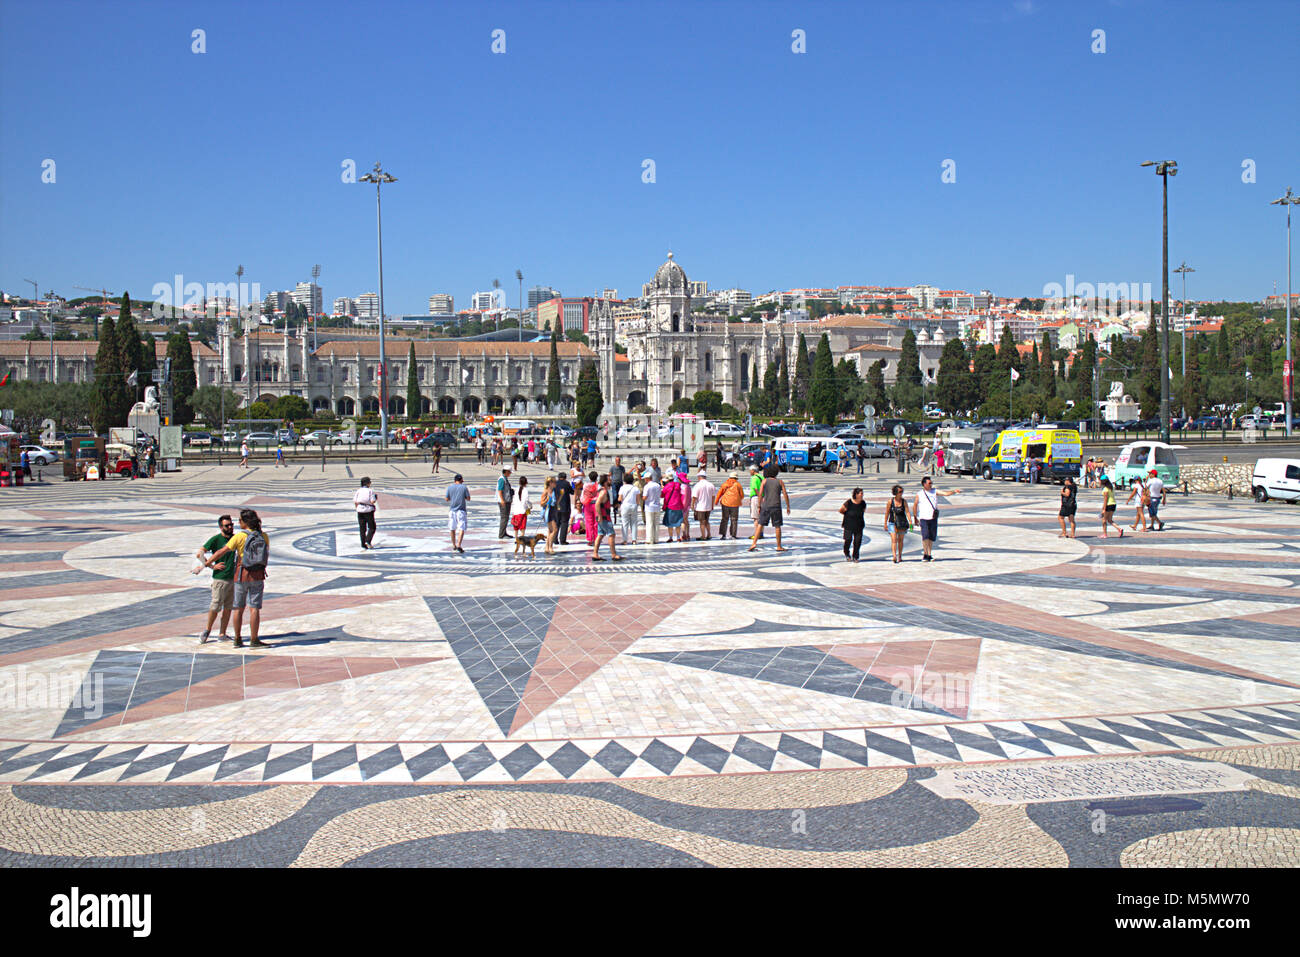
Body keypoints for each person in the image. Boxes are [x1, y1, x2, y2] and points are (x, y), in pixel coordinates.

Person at [200, 508, 269, 648]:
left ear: (244, 522)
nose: (237, 523)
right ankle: (254, 639)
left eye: (239, 520)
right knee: (254, 608)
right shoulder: (264, 536)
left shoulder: (239, 537)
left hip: (241, 575)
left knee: (238, 608)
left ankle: (238, 639)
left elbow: (222, 551)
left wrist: (208, 563)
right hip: (258, 575)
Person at [193, 514, 236, 643]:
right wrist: (212, 566)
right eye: (226, 525)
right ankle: (207, 630)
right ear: (220, 527)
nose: (230, 527)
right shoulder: (216, 539)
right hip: (220, 579)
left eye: (231, 525)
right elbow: (200, 553)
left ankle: (222, 633)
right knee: (215, 606)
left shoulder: (235, 538)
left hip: (233, 579)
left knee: (228, 607)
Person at [748, 466, 790, 552]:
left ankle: (754, 543)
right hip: (776, 506)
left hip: (766, 506)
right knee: (777, 526)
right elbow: (785, 494)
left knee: (760, 524)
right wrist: (788, 506)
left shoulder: (764, 481)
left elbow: (760, 494)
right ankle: (779, 546)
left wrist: (759, 505)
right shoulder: (780, 482)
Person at [592, 474, 623, 561]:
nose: (611, 481)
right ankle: (613, 554)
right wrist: (600, 516)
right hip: (604, 517)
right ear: (605, 481)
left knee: (600, 534)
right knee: (611, 534)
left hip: (602, 516)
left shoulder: (601, 490)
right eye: (609, 479)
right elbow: (597, 504)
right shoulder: (603, 492)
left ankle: (595, 553)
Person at [912, 475, 940, 562]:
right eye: (929, 483)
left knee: (931, 536)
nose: (931, 484)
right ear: (924, 484)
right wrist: (915, 517)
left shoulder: (934, 491)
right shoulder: (920, 494)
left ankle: (929, 554)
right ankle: (925, 554)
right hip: (923, 517)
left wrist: (954, 491)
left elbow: (945, 493)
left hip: (933, 517)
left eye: (931, 483)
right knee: (925, 536)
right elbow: (915, 505)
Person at [839, 488, 867, 562]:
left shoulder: (863, 503)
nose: (862, 495)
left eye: (862, 493)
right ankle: (847, 553)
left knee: (857, 541)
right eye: (861, 493)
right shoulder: (849, 502)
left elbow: (863, 511)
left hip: (859, 524)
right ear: (856, 494)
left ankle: (855, 556)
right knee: (848, 540)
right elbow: (841, 510)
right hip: (848, 524)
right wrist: (848, 515)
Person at [885, 484, 910, 563]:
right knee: (894, 539)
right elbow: (887, 512)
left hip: (902, 523)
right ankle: (894, 556)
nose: (901, 493)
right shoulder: (890, 501)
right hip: (892, 522)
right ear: (895, 493)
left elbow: (907, 512)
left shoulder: (904, 501)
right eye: (900, 492)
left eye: (902, 491)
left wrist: (910, 521)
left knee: (901, 540)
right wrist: (885, 523)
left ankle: (900, 555)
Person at [446, 473, 470, 553]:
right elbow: (468, 498)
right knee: (461, 527)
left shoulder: (449, 488)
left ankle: (454, 545)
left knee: (452, 528)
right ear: (461, 480)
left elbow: (447, 499)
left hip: (452, 510)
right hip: (461, 510)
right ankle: (459, 544)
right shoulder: (464, 487)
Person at [716, 471, 743, 539]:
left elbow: (719, 493)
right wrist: (737, 499)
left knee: (724, 519)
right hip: (735, 504)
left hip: (725, 503)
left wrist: (716, 501)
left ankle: (723, 535)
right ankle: (733, 535)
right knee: (734, 519)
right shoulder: (738, 485)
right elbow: (742, 495)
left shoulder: (725, 484)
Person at [354, 476, 378, 549]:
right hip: (368, 511)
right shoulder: (370, 491)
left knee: (362, 528)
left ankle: (363, 544)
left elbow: (355, 501)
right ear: (367, 483)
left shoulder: (358, 490)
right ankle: (368, 541)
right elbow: (372, 501)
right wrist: (376, 498)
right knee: (372, 527)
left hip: (360, 511)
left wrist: (357, 508)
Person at [661, 467, 685, 542]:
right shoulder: (678, 485)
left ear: (667, 480)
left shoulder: (667, 487)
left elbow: (661, 495)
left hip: (670, 506)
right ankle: (678, 537)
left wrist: (662, 486)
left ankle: (671, 537)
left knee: (670, 523)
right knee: (678, 523)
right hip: (678, 506)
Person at [692, 469, 717, 540]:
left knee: (702, 522)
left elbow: (694, 497)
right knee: (707, 521)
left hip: (700, 507)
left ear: (699, 477)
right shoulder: (711, 485)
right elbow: (713, 496)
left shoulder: (698, 485)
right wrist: (712, 505)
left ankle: (703, 536)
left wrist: (692, 505)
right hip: (708, 506)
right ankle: (709, 534)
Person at [619, 472, 642, 545]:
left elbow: (620, 498)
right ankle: (634, 540)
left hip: (625, 506)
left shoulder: (622, 488)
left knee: (625, 523)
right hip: (633, 505)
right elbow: (638, 500)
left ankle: (625, 540)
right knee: (634, 523)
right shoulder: (635, 488)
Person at [642, 470, 663, 544]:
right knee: (656, 524)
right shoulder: (657, 485)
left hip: (649, 507)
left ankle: (649, 539)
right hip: (657, 506)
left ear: (647, 478)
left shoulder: (646, 486)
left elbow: (644, 497)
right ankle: (656, 539)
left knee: (649, 524)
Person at [554, 470, 573, 546]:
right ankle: (562, 540)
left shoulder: (555, 484)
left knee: (556, 523)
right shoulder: (567, 484)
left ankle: (554, 539)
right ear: (565, 478)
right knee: (564, 523)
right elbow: (572, 492)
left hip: (556, 506)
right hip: (565, 506)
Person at [510, 474, 531, 541]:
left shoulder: (516, 489)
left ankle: (516, 539)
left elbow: (514, 500)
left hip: (516, 510)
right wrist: (530, 506)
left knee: (516, 526)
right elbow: (526, 501)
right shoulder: (525, 490)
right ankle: (521, 538)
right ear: (526, 483)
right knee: (522, 526)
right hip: (522, 511)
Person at [539, 476, 557, 553]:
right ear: (550, 483)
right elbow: (541, 503)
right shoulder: (546, 491)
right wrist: (547, 500)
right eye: (554, 482)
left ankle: (547, 547)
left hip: (553, 510)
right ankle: (550, 547)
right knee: (555, 529)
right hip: (548, 511)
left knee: (550, 530)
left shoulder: (553, 491)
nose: (555, 484)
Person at [747, 464, 764, 539]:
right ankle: (761, 533)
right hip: (763, 497)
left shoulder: (754, 478)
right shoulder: (762, 477)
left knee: (756, 517)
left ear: (753, 471)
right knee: (761, 517)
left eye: (750, 471)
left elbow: (755, 489)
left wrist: (759, 497)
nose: (749, 472)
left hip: (756, 498)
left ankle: (757, 534)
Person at [497, 467, 514, 539]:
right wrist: (502, 500)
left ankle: (504, 532)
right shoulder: (502, 479)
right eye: (509, 472)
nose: (510, 474)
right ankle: (501, 534)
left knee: (506, 517)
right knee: (504, 517)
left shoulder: (505, 479)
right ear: (506, 472)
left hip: (507, 500)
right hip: (504, 501)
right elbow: (500, 490)